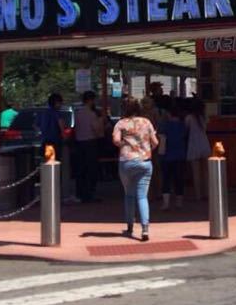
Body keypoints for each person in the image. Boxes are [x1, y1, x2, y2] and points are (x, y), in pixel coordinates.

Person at [112, 97, 157, 241]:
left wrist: (126, 145)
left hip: (127, 162)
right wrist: (146, 148)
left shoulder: (120, 123)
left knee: (129, 195)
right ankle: (145, 229)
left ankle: (130, 225)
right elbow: (155, 142)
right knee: (142, 196)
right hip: (145, 162)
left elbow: (116, 140)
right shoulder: (146, 122)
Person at [73, 90, 105, 202]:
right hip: (90, 142)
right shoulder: (92, 114)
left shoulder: (77, 113)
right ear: (91, 100)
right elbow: (97, 130)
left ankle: (80, 193)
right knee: (91, 169)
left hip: (79, 142)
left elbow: (75, 128)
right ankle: (90, 193)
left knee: (81, 170)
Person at [160, 100, 188, 211]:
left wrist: (160, 155)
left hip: (167, 156)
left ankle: (166, 203)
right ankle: (179, 202)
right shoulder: (183, 126)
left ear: (168, 114)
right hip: (180, 155)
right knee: (179, 179)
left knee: (166, 179)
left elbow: (162, 142)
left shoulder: (165, 126)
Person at [184, 98, 211, 201]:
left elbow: (186, 131)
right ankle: (207, 193)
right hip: (204, 144)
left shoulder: (189, 118)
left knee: (196, 172)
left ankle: (198, 195)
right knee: (206, 171)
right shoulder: (204, 117)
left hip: (193, 145)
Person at [36, 93, 64, 160]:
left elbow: (35, 125)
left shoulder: (43, 113)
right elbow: (61, 124)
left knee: (47, 160)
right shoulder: (56, 113)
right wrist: (64, 136)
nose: (61, 105)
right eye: (60, 103)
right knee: (55, 160)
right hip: (55, 141)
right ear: (56, 103)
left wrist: (42, 132)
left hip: (44, 141)